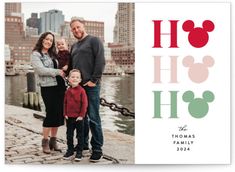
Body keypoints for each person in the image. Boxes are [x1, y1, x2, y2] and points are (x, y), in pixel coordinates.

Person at [69, 17, 105, 162]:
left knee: (93, 118)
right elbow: (72, 66)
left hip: (91, 87)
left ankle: (97, 149)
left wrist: (94, 80)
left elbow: (100, 60)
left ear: (83, 26)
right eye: (73, 29)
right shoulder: (74, 46)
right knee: (81, 118)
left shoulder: (94, 41)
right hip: (77, 87)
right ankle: (83, 145)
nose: (76, 30)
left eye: (78, 27)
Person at [31, 32, 66, 154]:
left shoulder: (53, 54)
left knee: (58, 114)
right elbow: (40, 70)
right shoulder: (36, 54)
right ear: (42, 39)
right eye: (47, 39)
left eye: (51, 40)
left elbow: (63, 64)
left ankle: (53, 141)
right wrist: (57, 71)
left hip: (60, 86)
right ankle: (45, 141)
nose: (48, 42)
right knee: (50, 114)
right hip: (47, 87)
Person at [63, 69, 88, 161]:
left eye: (77, 77)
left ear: (80, 80)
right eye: (72, 77)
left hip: (79, 118)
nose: (74, 78)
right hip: (69, 117)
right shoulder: (68, 91)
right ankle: (70, 150)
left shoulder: (82, 91)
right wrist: (65, 113)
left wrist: (81, 115)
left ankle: (79, 152)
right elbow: (65, 103)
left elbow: (84, 104)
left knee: (80, 135)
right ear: (69, 79)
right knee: (69, 135)